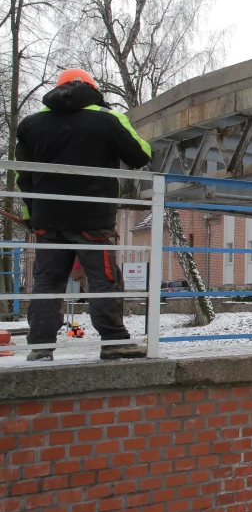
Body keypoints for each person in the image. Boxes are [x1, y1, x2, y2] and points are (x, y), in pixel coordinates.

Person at [16, 68, 152, 361]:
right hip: (93, 218)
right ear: (93, 90)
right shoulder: (107, 119)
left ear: (57, 89)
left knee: (46, 283)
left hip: (47, 220)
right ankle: (115, 342)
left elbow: (22, 177)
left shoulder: (30, 124)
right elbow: (141, 155)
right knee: (103, 279)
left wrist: (31, 214)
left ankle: (39, 347)